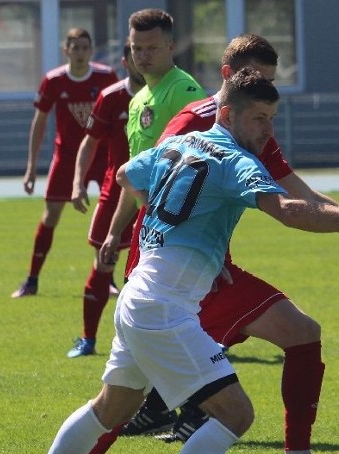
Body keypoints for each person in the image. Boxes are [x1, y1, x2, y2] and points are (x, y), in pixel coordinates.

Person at [9, 67, 339, 454]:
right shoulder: (235, 160)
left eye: (271, 119)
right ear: (227, 113)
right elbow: (290, 210)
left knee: (111, 407)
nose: (266, 130)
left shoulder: (177, 144)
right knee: (236, 414)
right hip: (164, 307)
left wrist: (175, 234)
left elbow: (126, 173)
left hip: (138, 294)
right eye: (258, 119)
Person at [63, 8, 205, 349]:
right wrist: (114, 231)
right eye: (136, 48)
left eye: (151, 48)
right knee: (140, 299)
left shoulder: (184, 91)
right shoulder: (140, 99)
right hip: (147, 216)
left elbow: (202, 164)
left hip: (176, 221)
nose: (142, 55)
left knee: (165, 300)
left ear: (171, 46)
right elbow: (134, 173)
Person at [12, 28, 119, 299]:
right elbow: (39, 123)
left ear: (91, 50)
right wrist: (31, 168)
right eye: (76, 48)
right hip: (67, 156)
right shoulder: (54, 80)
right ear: (66, 50)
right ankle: (32, 280)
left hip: (101, 154)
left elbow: (122, 115)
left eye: (85, 48)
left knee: (109, 216)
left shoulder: (106, 78)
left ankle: (107, 279)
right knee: (50, 216)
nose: (80, 53)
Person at [64, 43, 145, 358]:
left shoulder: (169, 94)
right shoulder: (111, 97)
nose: (145, 59)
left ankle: (148, 343)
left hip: (158, 194)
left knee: (152, 272)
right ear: (126, 61)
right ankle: (88, 339)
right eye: (138, 54)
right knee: (103, 263)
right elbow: (89, 143)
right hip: (116, 192)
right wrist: (78, 182)